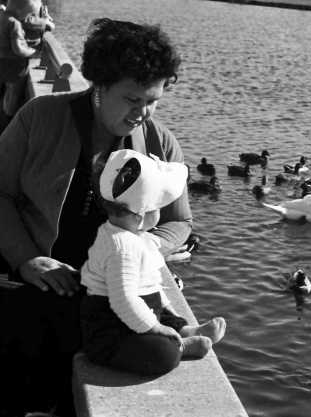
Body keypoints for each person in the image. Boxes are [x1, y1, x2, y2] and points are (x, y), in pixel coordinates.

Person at [0, 18, 191, 416]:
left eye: (153, 100)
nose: (145, 113)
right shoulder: (39, 117)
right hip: (40, 290)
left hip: (110, 299)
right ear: (99, 86)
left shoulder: (161, 140)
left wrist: (145, 247)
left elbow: (179, 222)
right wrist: (25, 258)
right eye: (134, 99)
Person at [80, 149, 225, 376]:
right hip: (112, 329)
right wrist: (155, 327)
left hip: (137, 310)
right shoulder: (122, 248)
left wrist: (165, 309)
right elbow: (123, 300)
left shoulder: (137, 237)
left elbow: (151, 283)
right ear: (141, 214)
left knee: (161, 309)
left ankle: (186, 330)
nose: (161, 213)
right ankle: (181, 346)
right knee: (161, 355)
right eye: (158, 207)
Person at [0, 0, 53, 130]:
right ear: (22, 11)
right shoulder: (15, 23)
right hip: (15, 66)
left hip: (2, 61)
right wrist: (33, 52)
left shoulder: (2, 17)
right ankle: (6, 126)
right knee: (12, 98)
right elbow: (19, 49)